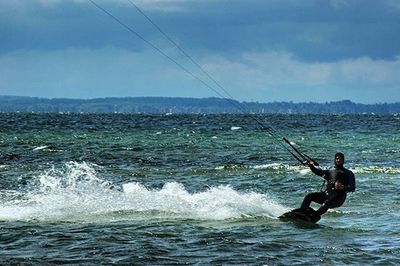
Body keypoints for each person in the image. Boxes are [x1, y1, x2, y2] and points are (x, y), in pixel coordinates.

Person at [300, 152, 355, 217]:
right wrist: (311, 166)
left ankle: (314, 216)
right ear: (335, 160)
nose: (338, 160)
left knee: (327, 203)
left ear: (343, 160)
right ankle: (301, 213)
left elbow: (352, 188)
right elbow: (318, 172)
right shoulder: (330, 171)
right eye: (337, 159)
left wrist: (342, 187)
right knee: (309, 196)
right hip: (327, 194)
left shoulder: (348, 173)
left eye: (340, 159)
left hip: (338, 198)